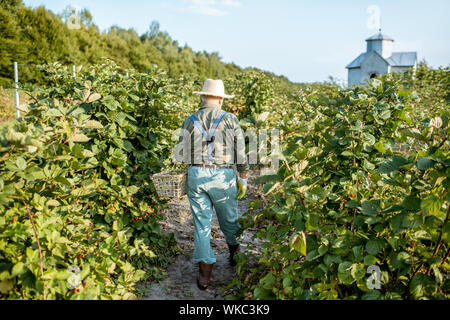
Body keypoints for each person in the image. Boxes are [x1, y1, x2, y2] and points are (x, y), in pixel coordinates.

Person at [177, 79, 249, 290]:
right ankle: (235, 256)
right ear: (220, 99)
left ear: (202, 97)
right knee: (229, 219)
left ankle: (204, 275)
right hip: (222, 176)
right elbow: (240, 153)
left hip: (196, 174)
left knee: (201, 225)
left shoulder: (190, 120)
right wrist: (243, 176)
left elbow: (182, 153)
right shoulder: (230, 119)